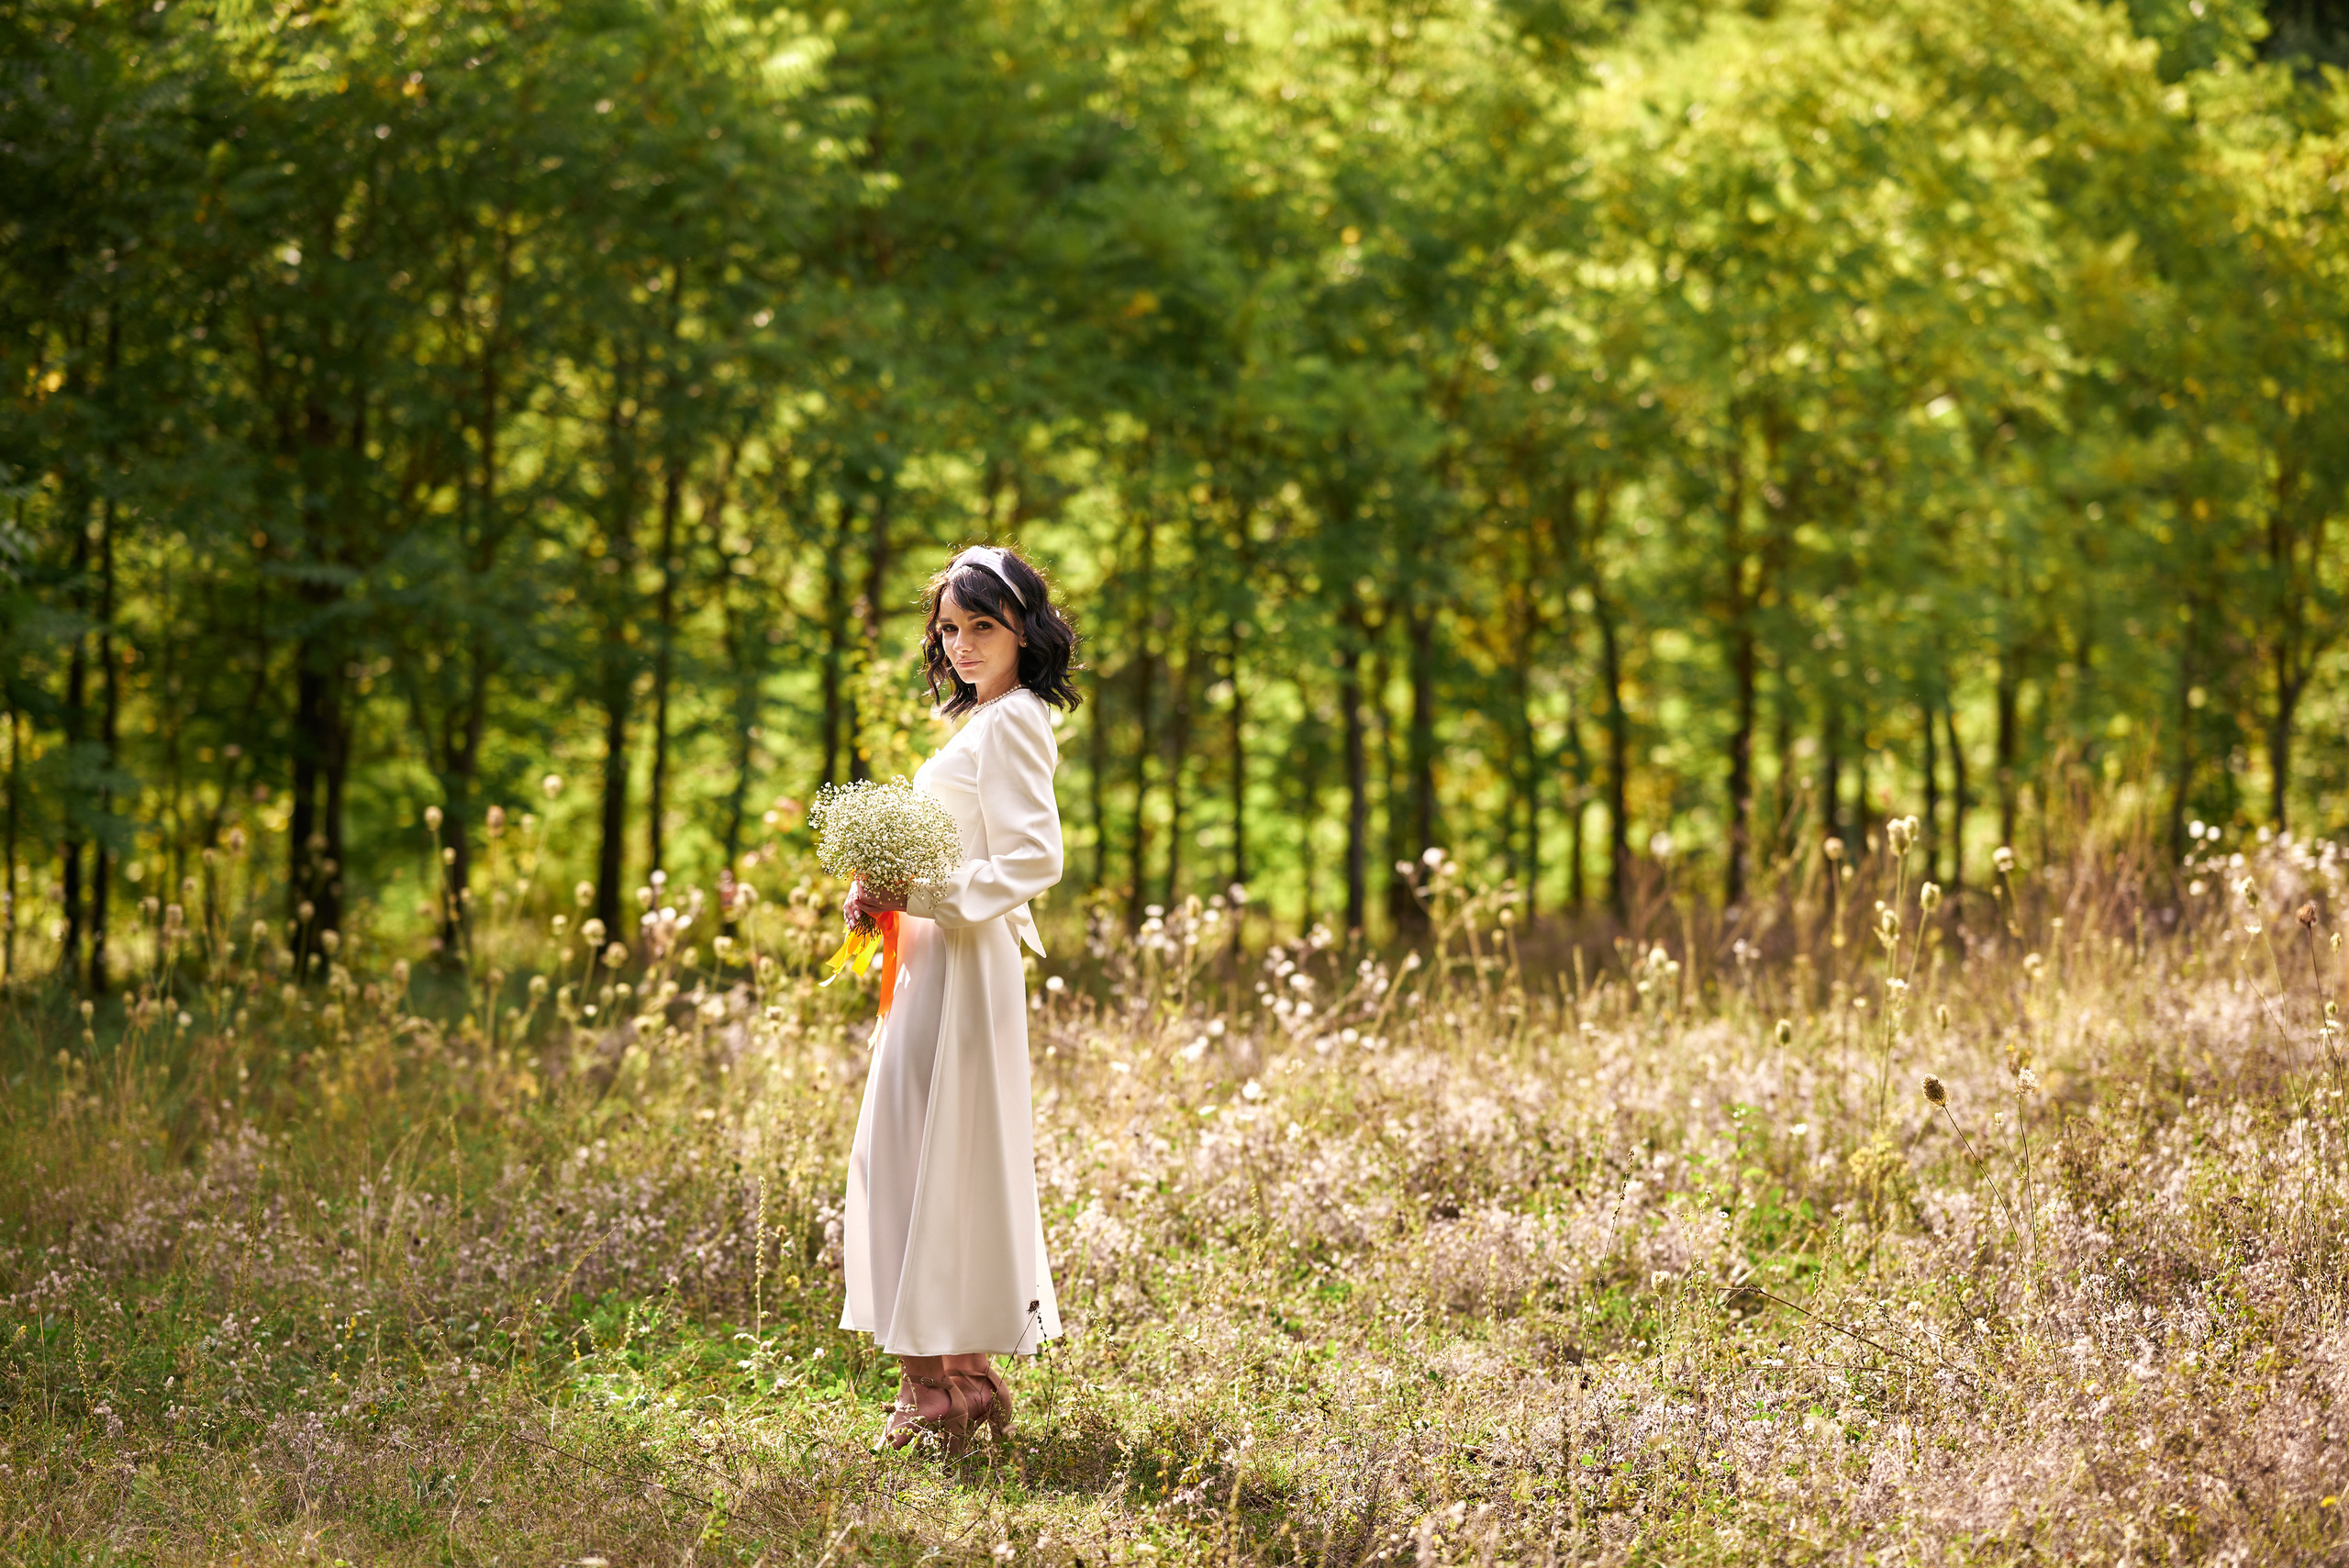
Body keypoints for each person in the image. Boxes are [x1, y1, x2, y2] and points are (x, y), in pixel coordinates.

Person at [837, 543, 1079, 1455]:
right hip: (940, 957)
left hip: (963, 963)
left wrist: (920, 889)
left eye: (983, 625)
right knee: (931, 1150)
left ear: (1025, 631)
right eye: (950, 628)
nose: (963, 644)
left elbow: (1033, 858)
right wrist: (880, 886)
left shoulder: (1014, 720)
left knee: (911, 1151)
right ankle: (963, 1378)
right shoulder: (982, 717)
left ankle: (935, 1387)